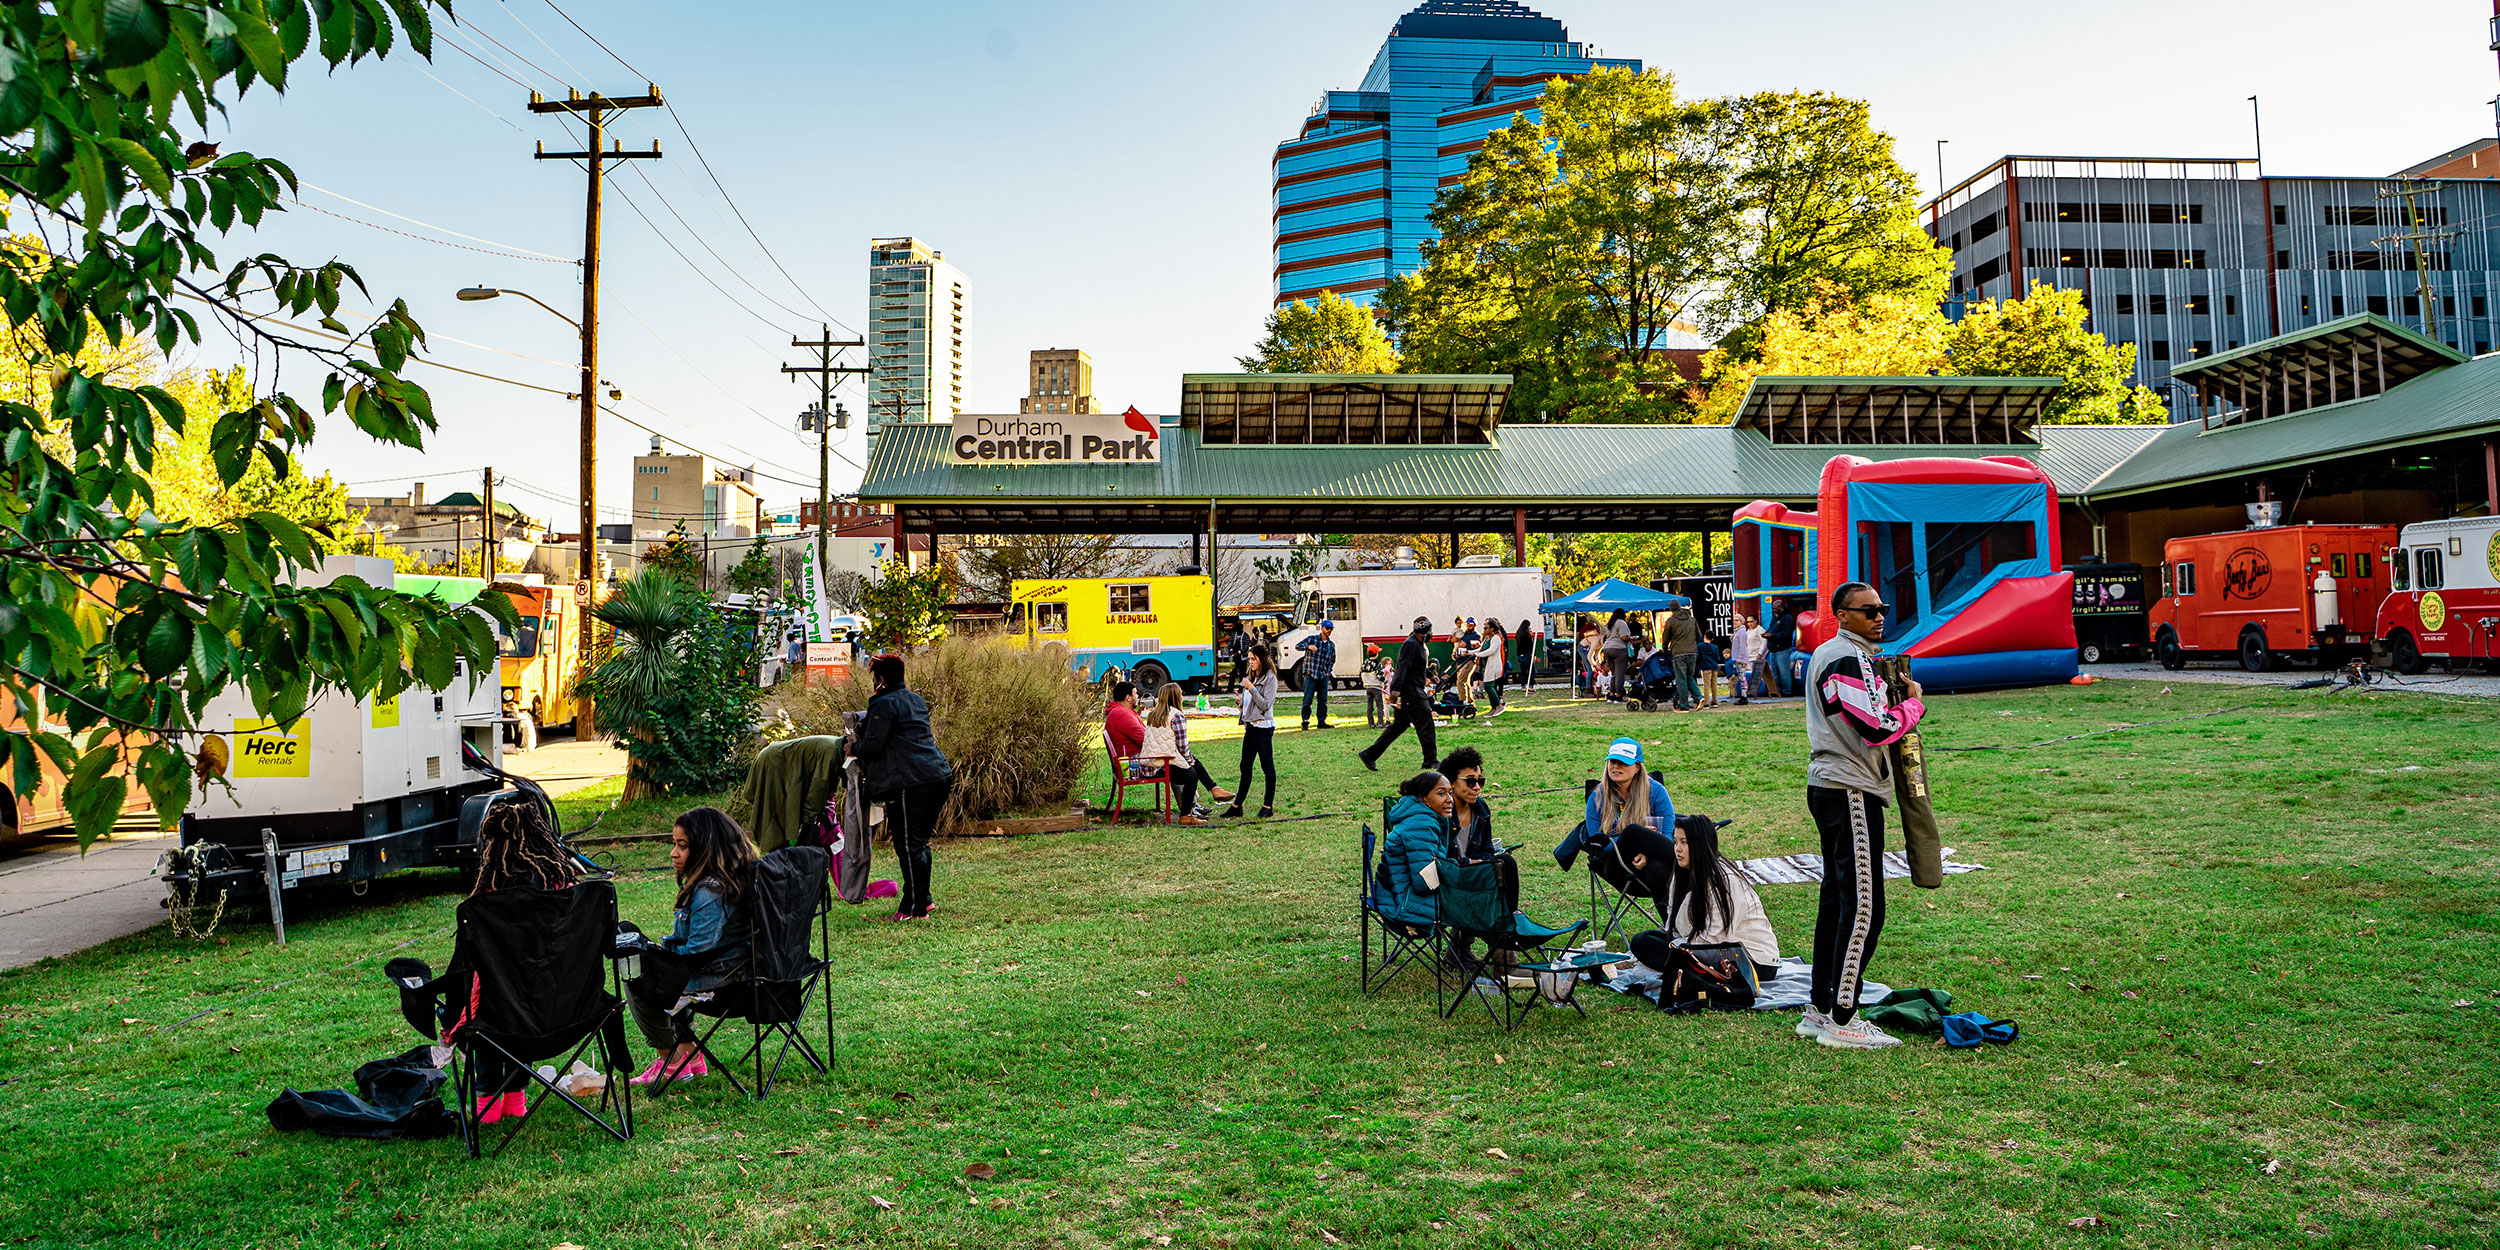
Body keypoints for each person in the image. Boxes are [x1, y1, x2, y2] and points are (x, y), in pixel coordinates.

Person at [1800, 581, 1927, 1050]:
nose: (1879, 617)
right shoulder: (1844, 656)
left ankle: (1819, 1008)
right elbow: (1875, 727)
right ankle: (1844, 1017)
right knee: (1864, 906)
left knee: (1836, 900)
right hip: (1849, 787)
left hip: (1836, 784)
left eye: (1883, 609)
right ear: (1841, 614)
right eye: (1868, 610)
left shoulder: (1840, 654)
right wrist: (1913, 705)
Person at [461, 796, 587, 1121]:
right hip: (568, 1010)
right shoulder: (564, 892)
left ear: (492, 849)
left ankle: (486, 1104)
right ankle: (516, 1098)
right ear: (543, 838)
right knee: (525, 1001)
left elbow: (466, 970)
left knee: (491, 1007)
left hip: (501, 1016)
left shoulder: (485, 903)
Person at [627, 806, 756, 1087]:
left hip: (724, 982)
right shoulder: (738, 876)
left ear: (706, 848)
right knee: (661, 966)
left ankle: (672, 1061)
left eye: (682, 846)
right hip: (743, 973)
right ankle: (690, 1056)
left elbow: (698, 952)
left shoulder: (711, 888)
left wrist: (662, 958)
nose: (674, 853)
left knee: (635, 976)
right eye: (674, 844)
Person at [848, 654, 954, 921]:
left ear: (880, 679)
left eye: (874, 677)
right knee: (918, 843)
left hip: (911, 781)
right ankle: (923, 900)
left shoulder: (883, 704)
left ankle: (913, 909)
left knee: (908, 846)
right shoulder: (915, 700)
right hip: (937, 775)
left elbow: (873, 745)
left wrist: (851, 747)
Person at [1658, 817, 1781, 982]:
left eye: (1684, 843)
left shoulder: (1724, 880)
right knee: (1644, 941)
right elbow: (1674, 927)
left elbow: (1717, 939)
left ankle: (1683, 967)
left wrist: (1679, 947)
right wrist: (1677, 944)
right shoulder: (1681, 874)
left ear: (1701, 845)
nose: (1677, 849)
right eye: (1675, 842)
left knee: (1657, 950)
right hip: (1699, 948)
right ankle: (1681, 965)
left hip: (1750, 961)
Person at [1375, 770, 1453, 928]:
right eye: (1442, 794)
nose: (1450, 800)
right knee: (1482, 896)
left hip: (1396, 897)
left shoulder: (1420, 817)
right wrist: (1457, 871)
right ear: (1423, 798)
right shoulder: (1422, 824)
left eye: (1450, 793)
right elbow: (1423, 881)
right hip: (1408, 908)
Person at [1360, 617, 1438, 773]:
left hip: (1411, 690)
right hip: (1411, 692)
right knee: (1426, 725)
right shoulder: (1411, 645)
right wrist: (1395, 689)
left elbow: (1416, 665)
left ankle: (1369, 754)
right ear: (1423, 632)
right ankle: (1430, 760)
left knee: (1398, 726)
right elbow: (1403, 666)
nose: (1431, 634)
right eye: (1429, 631)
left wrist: (1429, 673)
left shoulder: (1418, 644)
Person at [1146, 683, 1216, 826]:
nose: (1183, 697)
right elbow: (1183, 748)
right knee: (1191, 775)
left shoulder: (1153, 714)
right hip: (1162, 765)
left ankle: (1214, 789)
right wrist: (1190, 763)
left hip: (1149, 763)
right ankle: (1185, 815)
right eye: (1181, 694)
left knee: (1192, 764)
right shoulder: (1176, 716)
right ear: (1176, 697)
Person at [1584, 737, 1675, 843]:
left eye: (1623, 762)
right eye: (1612, 761)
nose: (1616, 766)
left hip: (1652, 853)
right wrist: (1634, 837)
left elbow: (1668, 837)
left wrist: (1646, 851)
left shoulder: (1657, 792)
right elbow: (1596, 844)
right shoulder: (1597, 797)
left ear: (1637, 767)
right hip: (1614, 856)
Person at [1224, 645, 1278, 819]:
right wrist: (1241, 703)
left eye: (1253, 659)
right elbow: (1253, 705)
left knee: (1267, 767)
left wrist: (1251, 689)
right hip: (1251, 727)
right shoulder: (1252, 678)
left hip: (1263, 728)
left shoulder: (1270, 679)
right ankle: (1237, 806)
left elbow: (1265, 704)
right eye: (1249, 659)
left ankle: (1267, 806)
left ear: (1262, 659)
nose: (1251, 662)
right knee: (1245, 766)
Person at [1439, 746, 1496, 860]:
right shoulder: (1441, 812)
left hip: (1474, 872)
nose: (1477, 787)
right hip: (1450, 873)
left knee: (1506, 862)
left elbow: (1487, 849)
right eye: (1470, 781)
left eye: (1480, 781)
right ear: (1451, 782)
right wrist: (1469, 863)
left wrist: (1481, 861)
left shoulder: (1481, 809)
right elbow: (1439, 859)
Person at [1297, 620, 1338, 731]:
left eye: (1331, 629)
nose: (1329, 631)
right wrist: (1308, 647)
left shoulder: (1331, 645)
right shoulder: (1312, 639)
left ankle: (1321, 721)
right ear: (1322, 628)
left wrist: (1328, 671)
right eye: (1327, 629)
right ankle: (1305, 721)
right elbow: (1298, 646)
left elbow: (1332, 660)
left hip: (1323, 675)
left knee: (1323, 700)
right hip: (1311, 673)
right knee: (1307, 699)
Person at [1662, 602, 1700, 711]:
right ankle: (1699, 698)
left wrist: (1665, 648)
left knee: (1681, 679)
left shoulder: (1671, 621)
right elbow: (1699, 635)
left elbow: (1666, 637)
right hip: (1692, 652)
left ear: (1671, 609)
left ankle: (1684, 705)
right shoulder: (1692, 619)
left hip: (1679, 652)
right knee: (1689, 676)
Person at [1730, 613, 1767, 705]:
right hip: (1744, 656)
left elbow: (1742, 645)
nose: (1735, 622)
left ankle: (1744, 696)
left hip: (1744, 657)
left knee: (1743, 678)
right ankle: (1744, 695)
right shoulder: (1741, 631)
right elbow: (1737, 644)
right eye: (1734, 620)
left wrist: (1740, 657)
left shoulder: (1742, 632)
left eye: (1737, 620)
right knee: (1742, 676)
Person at [1764, 600, 1799, 698]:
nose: (1774, 610)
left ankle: (1787, 691)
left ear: (1781, 608)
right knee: (1774, 672)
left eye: (1776, 608)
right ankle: (1777, 690)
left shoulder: (1787, 618)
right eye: (1773, 608)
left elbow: (1786, 634)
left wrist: (1772, 635)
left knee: (1784, 672)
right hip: (1773, 649)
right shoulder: (1775, 618)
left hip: (1782, 649)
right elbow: (1771, 629)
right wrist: (1767, 634)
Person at [1476, 619, 1509, 717]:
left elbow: (1491, 650)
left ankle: (1499, 706)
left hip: (1494, 666)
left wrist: (1477, 654)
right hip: (1487, 666)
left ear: (1492, 629)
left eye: (1486, 627)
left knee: (1488, 686)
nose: (1484, 629)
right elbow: (1481, 648)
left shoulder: (1496, 638)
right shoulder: (1487, 638)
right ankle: (1493, 708)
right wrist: (1469, 652)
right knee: (1489, 686)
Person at [1600, 609, 1632, 702]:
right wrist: (1631, 638)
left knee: (1614, 673)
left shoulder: (1610, 624)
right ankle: (1619, 696)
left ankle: (1611, 695)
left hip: (1607, 649)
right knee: (1620, 674)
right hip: (1618, 649)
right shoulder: (1621, 623)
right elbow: (1624, 637)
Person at [1360, 643, 1387, 727]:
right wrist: (1385, 682)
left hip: (1368, 687)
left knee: (1369, 706)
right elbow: (1380, 676)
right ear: (1377, 654)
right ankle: (1380, 723)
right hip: (1376, 687)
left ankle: (1371, 723)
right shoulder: (1377, 664)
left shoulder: (1365, 663)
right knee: (1379, 705)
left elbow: (1361, 673)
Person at [1515, 618, 1538, 692]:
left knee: (1523, 672)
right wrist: (1534, 655)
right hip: (1527, 655)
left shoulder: (1518, 634)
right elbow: (1531, 646)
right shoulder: (1527, 635)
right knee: (1531, 671)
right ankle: (1531, 686)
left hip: (1519, 655)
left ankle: (1523, 686)